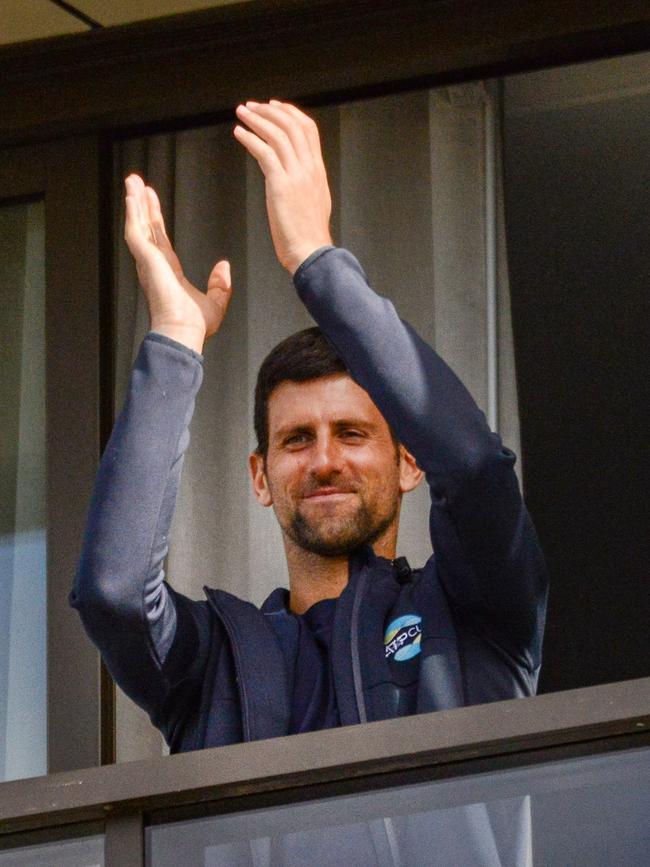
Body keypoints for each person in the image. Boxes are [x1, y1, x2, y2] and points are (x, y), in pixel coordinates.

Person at [72, 97, 547, 759]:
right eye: (297, 439)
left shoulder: (474, 615)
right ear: (260, 476)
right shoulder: (213, 666)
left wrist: (316, 261)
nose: (325, 459)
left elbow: (474, 468)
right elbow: (114, 592)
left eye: (352, 433)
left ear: (411, 462)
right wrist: (176, 339)